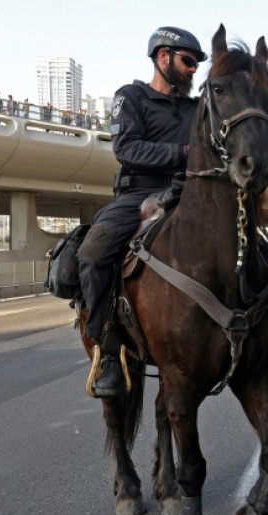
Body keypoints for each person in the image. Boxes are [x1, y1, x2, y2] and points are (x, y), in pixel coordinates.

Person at [77, 26, 205, 397]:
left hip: (191, 193)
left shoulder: (198, 108)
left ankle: (260, 329)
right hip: (140, 194)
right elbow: (128, 149)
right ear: (163, 56)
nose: (193, 69)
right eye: (188, 61)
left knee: (248, 240)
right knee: (93, 252)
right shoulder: (130, 97)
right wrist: (182, 154)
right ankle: (108, 351)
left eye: (197, 64)